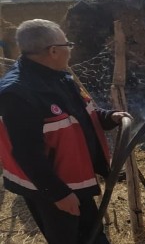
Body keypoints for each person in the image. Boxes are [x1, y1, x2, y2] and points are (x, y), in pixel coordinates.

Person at [0, 19, 131, 244]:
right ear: (53, 51)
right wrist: (58, 194)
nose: (70, 51)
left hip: (75, 180)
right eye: (67, 45)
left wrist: (108, 117)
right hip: (52, 190)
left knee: (93, 236)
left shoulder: (59, 76)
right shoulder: (18, 93)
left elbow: (80, 114)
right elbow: (26, 153)